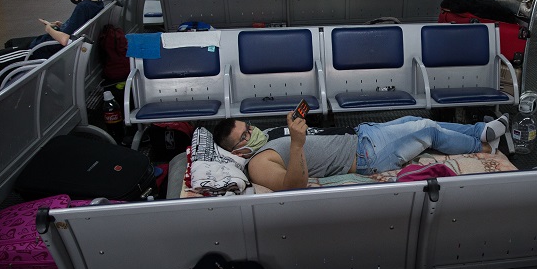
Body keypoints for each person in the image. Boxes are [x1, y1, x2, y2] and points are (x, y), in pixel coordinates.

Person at [213, 113, 510, 192]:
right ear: (238, 150)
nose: (252, 132)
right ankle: (483, 145)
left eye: (248, 127)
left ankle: (476, 130)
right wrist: (297, 143)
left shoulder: (264, 143)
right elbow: (293, 185)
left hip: (361, 135)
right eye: (245, 135)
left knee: (414, 122)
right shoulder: (258, 163)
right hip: (367, 155)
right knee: (427, 130)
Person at [0, 0, 104, 89]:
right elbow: (74, 27)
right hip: (49, 44)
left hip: (41, 49)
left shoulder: (83, 7)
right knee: (10, 43)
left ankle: (1, 99)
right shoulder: (97, 1)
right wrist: (62, 26)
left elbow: (65, 40)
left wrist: (49, 29)